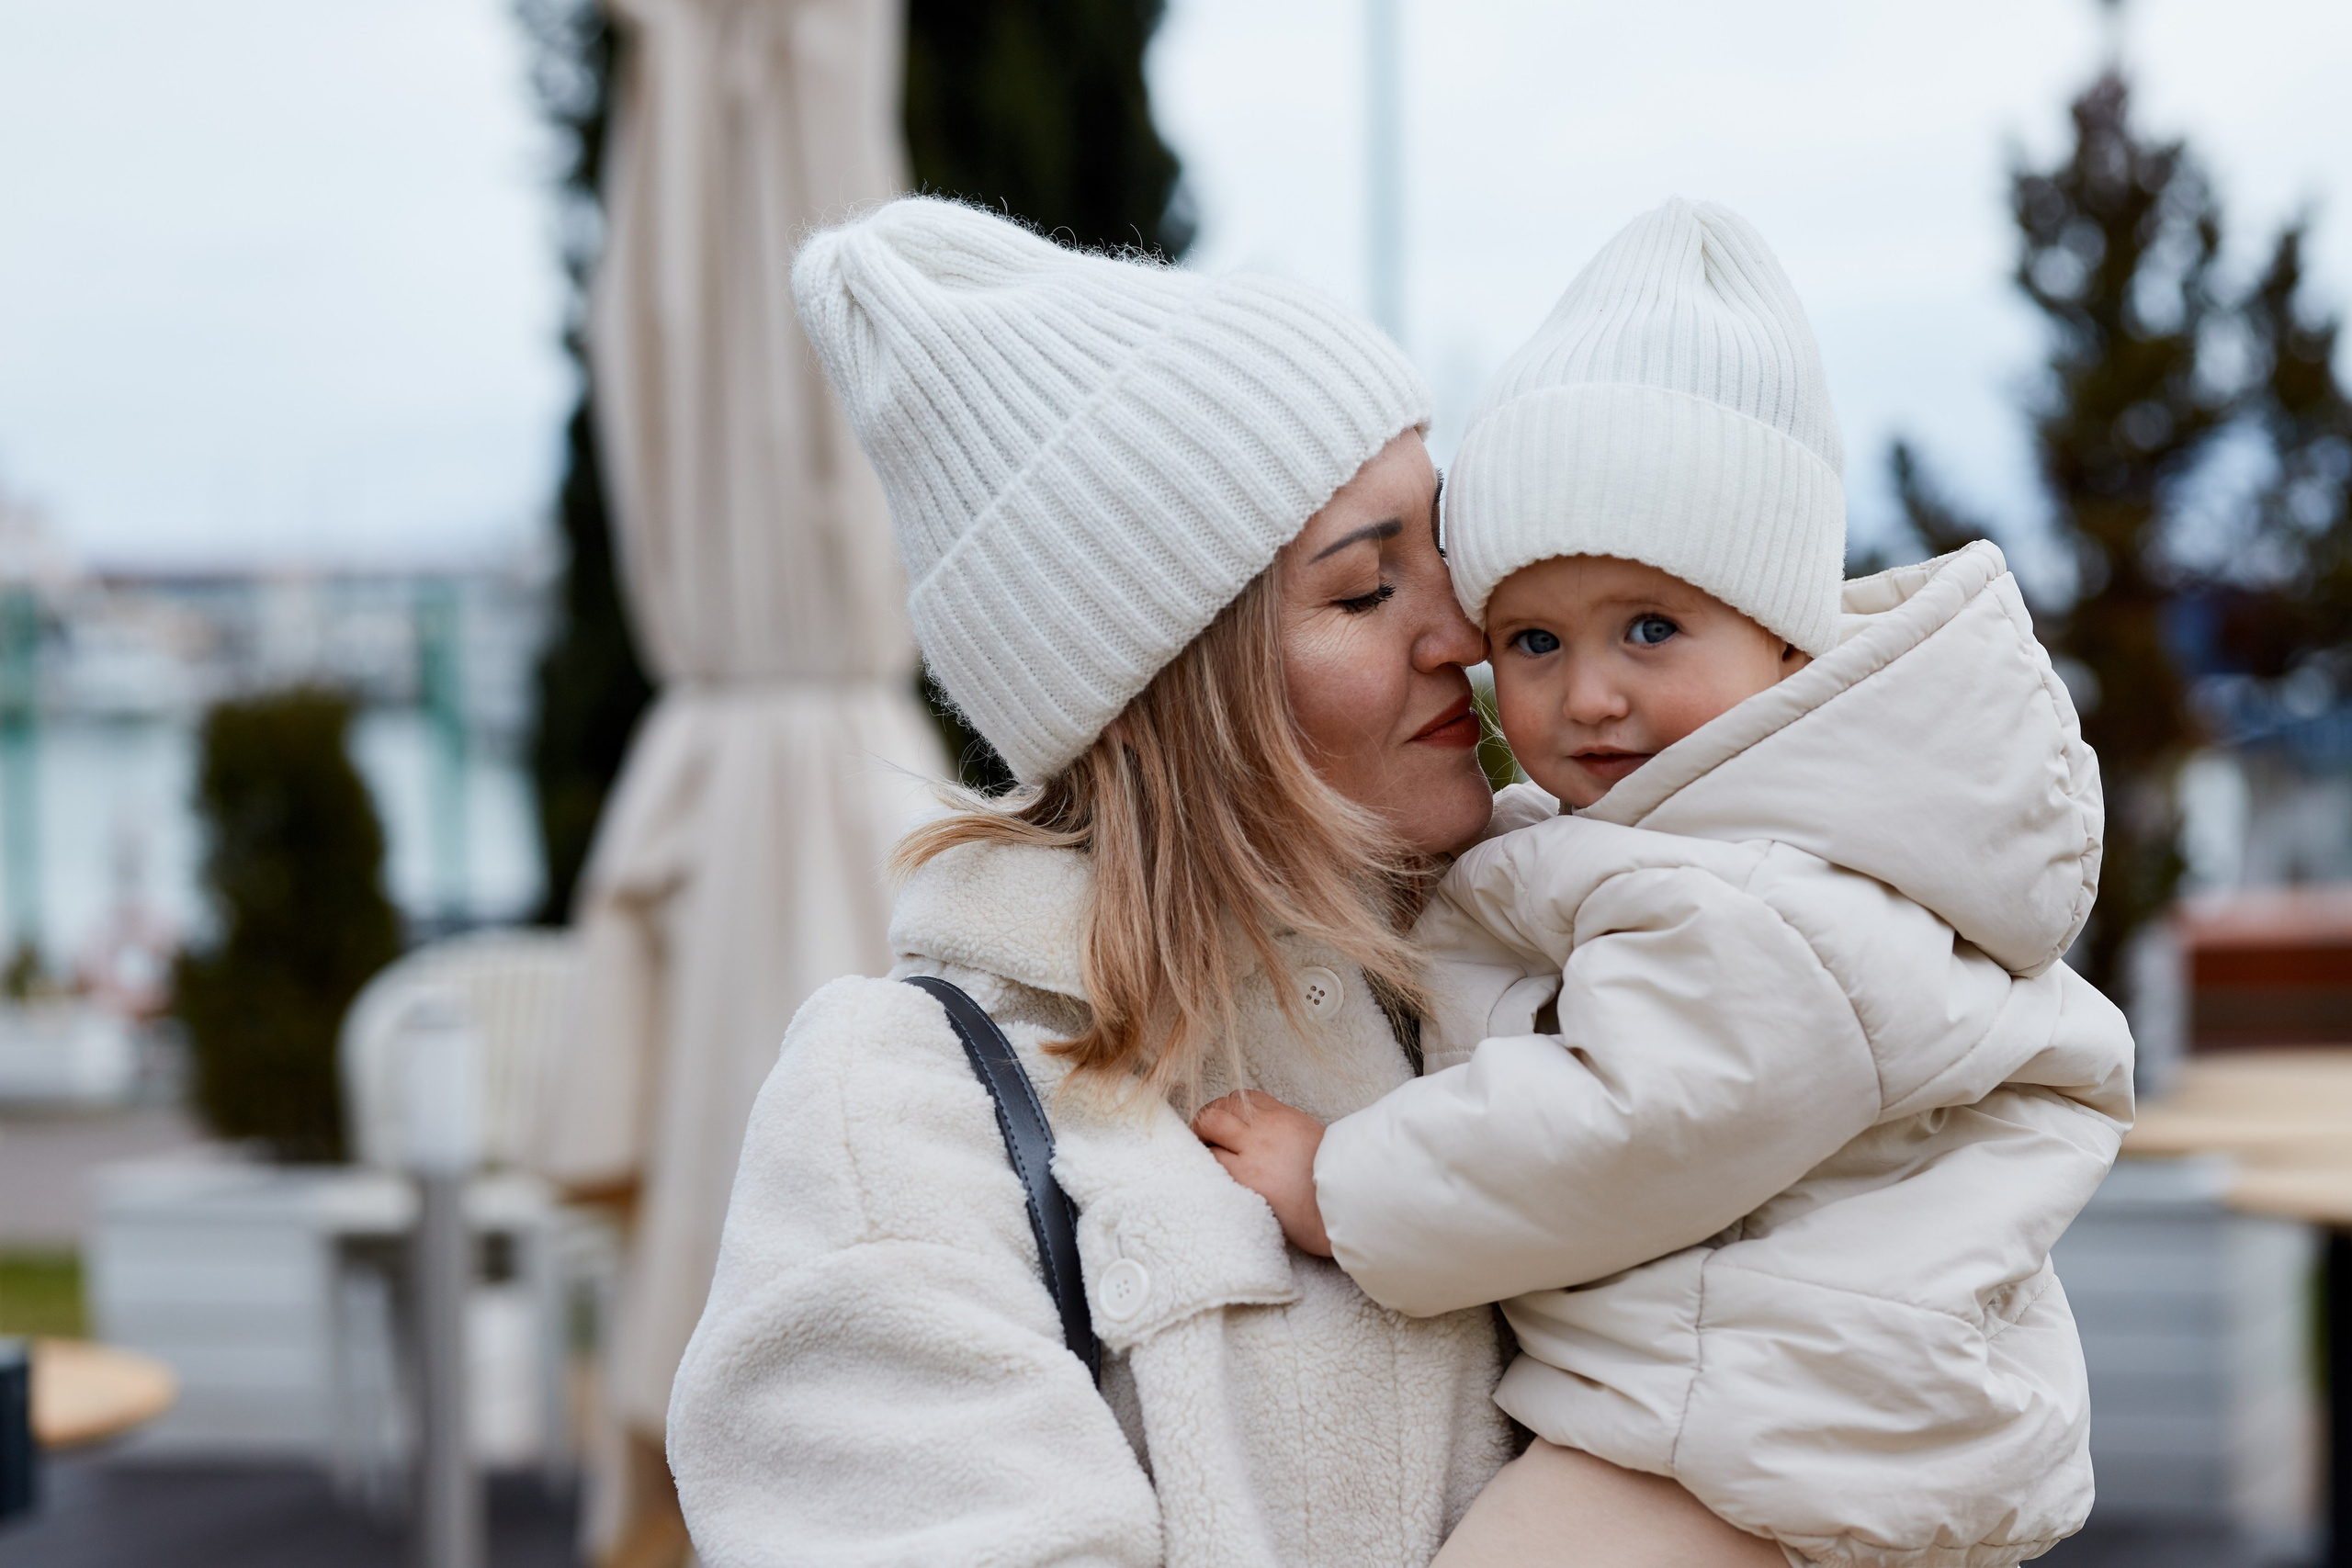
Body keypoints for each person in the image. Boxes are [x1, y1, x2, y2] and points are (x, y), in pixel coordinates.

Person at [1199, 200, 2137, 1568]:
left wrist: (1340, 1186)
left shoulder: (1772, 892)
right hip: (1769, 1403)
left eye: (1650, 627)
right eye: (1533, 640)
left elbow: (1630, 1125)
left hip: (1767, 1439)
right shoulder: (1726, 834)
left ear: (1786, 641)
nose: (1588, 694)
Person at [663, 197, 1522, 1566]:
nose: (1468, 633)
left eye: (1450, 548)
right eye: (1368, 592)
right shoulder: (900, 1119)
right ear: (1149, 694)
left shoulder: (1548, 963)